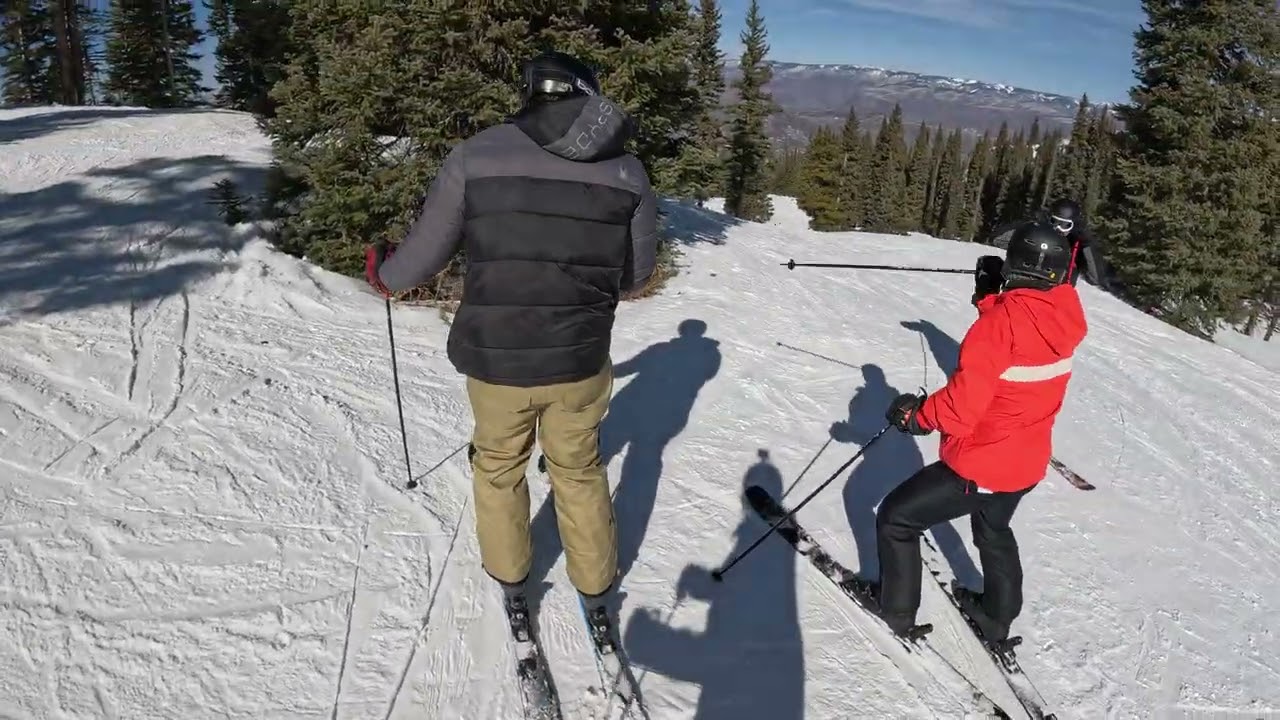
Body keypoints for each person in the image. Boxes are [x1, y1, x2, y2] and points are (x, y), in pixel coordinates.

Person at [364, 50, 659, 635]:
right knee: (579, 469)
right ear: (587, 95)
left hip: (497, 359)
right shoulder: (628, 171)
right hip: (579, 356)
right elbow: (635, 275)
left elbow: (425, 253)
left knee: (498, 467)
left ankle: (512, 580)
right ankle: (597, 589)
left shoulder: (476, 155)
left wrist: (384, 273)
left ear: (531, 92)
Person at [867, 220, 1088, 646]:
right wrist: (993, 297)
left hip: (983, 463)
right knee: (993, 529)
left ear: (1016, 265)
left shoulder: (998, 325)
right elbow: (1022, 332)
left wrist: (917, 418)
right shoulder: (1065, 312)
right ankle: (996, 617)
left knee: (896, 518)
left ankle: (895, 611)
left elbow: (962, 409)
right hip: (1027, 462)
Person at [988, 197, 1112, 291]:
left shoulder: (1076, 247)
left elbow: (1095, 278)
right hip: (1019, 289)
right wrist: (1027, 227)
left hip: (1054, 300)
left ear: (1074, 226)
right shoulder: (1035, 234)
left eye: (1065, 225)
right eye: (1054, 222)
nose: (1058, 229)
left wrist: (1087, 244)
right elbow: (997, 239)